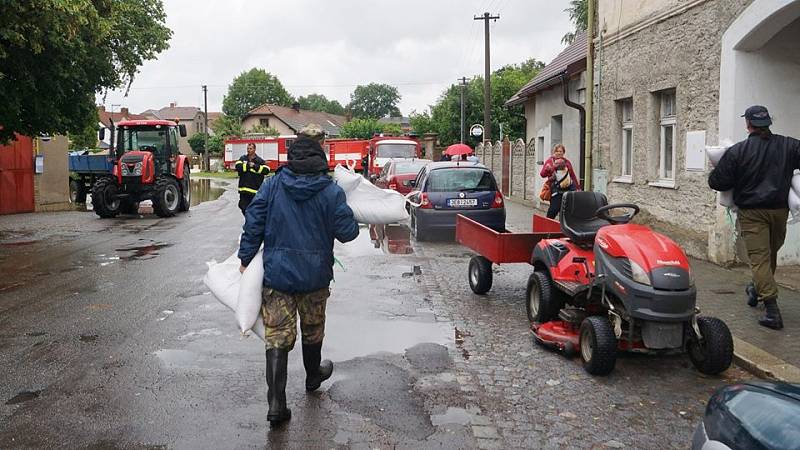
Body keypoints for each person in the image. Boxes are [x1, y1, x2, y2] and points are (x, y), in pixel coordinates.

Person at [238, 123, 359, 427]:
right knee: (313, 327)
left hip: (277, 275)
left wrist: (245, 258)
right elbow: (348, 233)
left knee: (278, 334)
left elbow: (254, 219)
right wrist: (345, 210)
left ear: (292, 153)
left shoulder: (272, 184)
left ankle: (277, 405)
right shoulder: (331, 191)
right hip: (315, 276)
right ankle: (313, 376)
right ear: (321, 154)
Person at [709, 105, 800, 330]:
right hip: (780, 211)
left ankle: (772, 312)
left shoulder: (738, 151)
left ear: (748, 124)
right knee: (769, 255)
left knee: (760, 259)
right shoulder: (790, 145)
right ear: (768, 122)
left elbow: (717, 183)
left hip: (752, 214)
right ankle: (756, 289)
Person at [540, 144, 580, 219]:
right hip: (555, 190)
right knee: (553, 209)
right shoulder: (550, 161)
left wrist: (577, 187)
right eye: (557, 151)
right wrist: (547, 169)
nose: (559, 153)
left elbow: (572, 175)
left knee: (566, 210)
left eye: (561, 151)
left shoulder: (567, 162)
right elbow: (542, 174)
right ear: (554, 152)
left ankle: (563, 227)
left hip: (568, 190)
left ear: (563, 152)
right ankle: (548, 225)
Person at [235, 143, 271, 215]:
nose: (249, 150)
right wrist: (248, 165)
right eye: (248, 148)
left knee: (254, 209)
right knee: (243, 207)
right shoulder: (243, 158)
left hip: (254, 191)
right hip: (243, 190)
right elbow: (238, 166)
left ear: (254, 149)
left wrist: (255, 166)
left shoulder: (259, 160)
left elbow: (266, 170)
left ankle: (250, 223)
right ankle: (248, 221)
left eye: (250, 148)